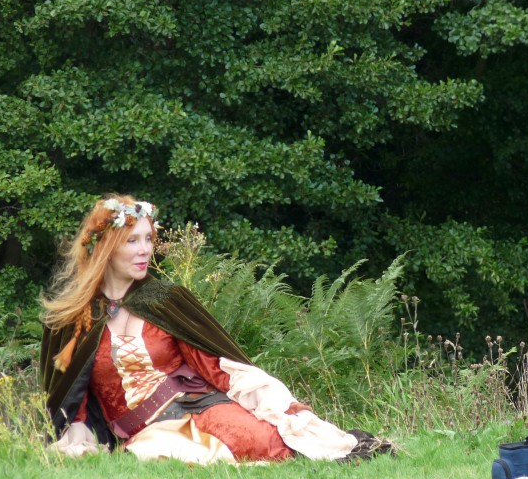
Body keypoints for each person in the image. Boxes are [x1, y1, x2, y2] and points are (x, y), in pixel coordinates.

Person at [41, 194, 380, 464]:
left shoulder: (164, 299)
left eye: (148, 239)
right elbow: (72, 398)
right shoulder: (78, 319)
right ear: (106, 247)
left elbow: (216, 364)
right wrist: (77, 437)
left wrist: (274, 401)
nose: (145, 250)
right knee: (174, 455)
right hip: (144, 430)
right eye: (132, 241)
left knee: (261, 439)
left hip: (199, 405)